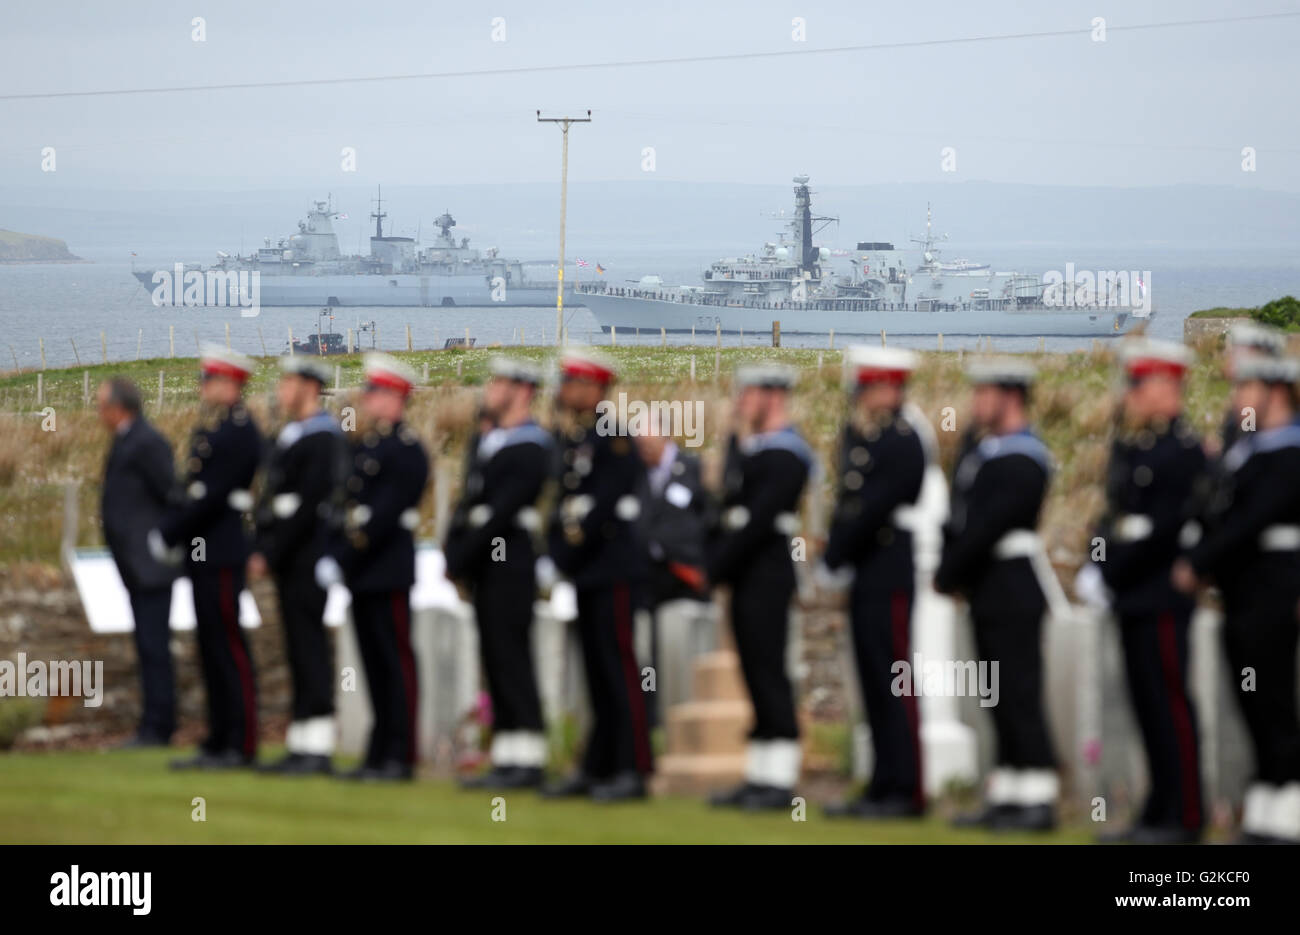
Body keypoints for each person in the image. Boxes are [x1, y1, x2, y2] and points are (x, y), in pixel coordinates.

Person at [1081, 339, 1207, 844]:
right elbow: (1111, 517)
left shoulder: (1184, 450)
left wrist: (1109, 574)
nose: (1129, 394)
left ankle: (1186, 815)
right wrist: (1096, 563)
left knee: (1171, 705)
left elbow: (1162, 531)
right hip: (1133, 595)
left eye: (1139, 383)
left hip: (1159, 595)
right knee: (1147, 706)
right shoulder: (1138, 446)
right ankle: (1158, 809)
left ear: (1166, 386)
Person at [1175, 353, 1300, 844]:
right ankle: (1267, 804)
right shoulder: (1247, 450)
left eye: (1247, 388)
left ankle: (1288, 805)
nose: (1238, 400)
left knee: (1272, 699)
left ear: (1276, 391)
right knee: (1252, 700)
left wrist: (1198, 561)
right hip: (1244, 591)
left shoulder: (1288, 452)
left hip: (1275, 586)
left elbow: (1252, 522)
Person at [935, 357, 1058, 831]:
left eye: (984, 394)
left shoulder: (1024, 456)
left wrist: (949, 572)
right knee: (998, 694)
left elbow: (987, 526)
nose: (975, 403)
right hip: (988, 584)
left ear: (1010, 397)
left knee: (1020, 691)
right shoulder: (986, 451)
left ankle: (1038, 796)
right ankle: (1009, 791)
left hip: (1011, 582)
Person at [819, 347, 927, 819]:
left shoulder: (902, 440)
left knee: (894, 678)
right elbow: (848, 502)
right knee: (873, 679)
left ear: (890, 388)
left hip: (888, 567)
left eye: (869, 387)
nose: (862, 397)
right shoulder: (863, 437)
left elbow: (874, 507)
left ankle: (906, 788)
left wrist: (837, 551)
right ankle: (883, 782)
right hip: (867, 568)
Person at [541, 349, 653, 802]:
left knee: (619, 669)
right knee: (596, 670)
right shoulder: (577, 438)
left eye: (572, 381)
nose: (563, 389)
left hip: (613, 568)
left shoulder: (613, 437)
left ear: (593, 388)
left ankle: (631, 767)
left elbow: (602, 508)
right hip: (588, 571)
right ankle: (599, 764)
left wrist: (563, 557)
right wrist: (557, 555)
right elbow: (565, 505)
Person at [316, 353, 429, 782]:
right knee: (374, 665)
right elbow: (345, 505)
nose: (366, 398)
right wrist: (335, 551)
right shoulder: (366, 446)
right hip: (362, 572)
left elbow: (380, 516)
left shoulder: (406, 450)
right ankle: (379, 751)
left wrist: (342, 555)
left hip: (387, 568)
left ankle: (400, 754)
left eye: (375, 391)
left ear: (395, 396)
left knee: (394, 662)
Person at [151, 346, 263, 770]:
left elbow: (211, 495)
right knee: (211, 645)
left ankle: (241, 741)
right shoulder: (214, 428)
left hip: (221, 547)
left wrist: (171, 531)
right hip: (203, 549)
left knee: (229, 645)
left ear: (232, 384)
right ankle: (220, 737)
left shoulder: (238, 430)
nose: (204, 387)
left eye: (211, 379)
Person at [709, 364, 814, 811]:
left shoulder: (786, 453)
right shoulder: (752, 449)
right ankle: (760, 771)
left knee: (770, 670)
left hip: (767, 571)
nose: (739, 403)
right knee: (753, 669)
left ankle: (779, 776)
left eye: (748, 394)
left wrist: (714, 567)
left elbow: (756, 520)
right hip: (746, 574)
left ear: (773, 397)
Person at [445, 357, 552, 789]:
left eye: (501, 382)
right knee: (494, 657)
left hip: (510, 561)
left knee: (512, 658)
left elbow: (501, 513)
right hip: (485, 564)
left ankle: (529, 756)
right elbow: (469, 505)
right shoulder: (487, 441)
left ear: (523, 391)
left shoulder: (531, 445)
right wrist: (456, 559)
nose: (491, 389)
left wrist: (461, 556)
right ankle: (508, 754)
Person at [248, 356, 347, 775]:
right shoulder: (288, 434)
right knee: (295, 647)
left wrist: (269, 551)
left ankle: (318, 746)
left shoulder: (323, 437)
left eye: (288, 382)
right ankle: (301, 740)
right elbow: (272, 499)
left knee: (310, 649)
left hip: (307, 557)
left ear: (308, 387)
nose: (280, 390)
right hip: (288, 557)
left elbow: (307, 507)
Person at [97, 377, 178, 748]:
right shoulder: (127, 439)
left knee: (154, 644)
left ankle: (159, 726)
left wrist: (159, 543)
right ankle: (152, 722)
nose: (99, 414)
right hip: (133, 563)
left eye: (102, 406)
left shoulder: (148, 442)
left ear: (119, 407)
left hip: (151, 564)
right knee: (146, 644)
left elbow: (172, 496)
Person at [632, 412, 711, 721]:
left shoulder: (693, 471)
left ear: (664, 437)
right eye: (639, 444)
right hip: (647, 580)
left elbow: (709, 521)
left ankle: (689, 713)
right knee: (648, 655)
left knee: (683, 649)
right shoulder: (636, 475)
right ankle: (652, 718)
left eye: (648, 443)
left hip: (685, 579)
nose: (644, 450)